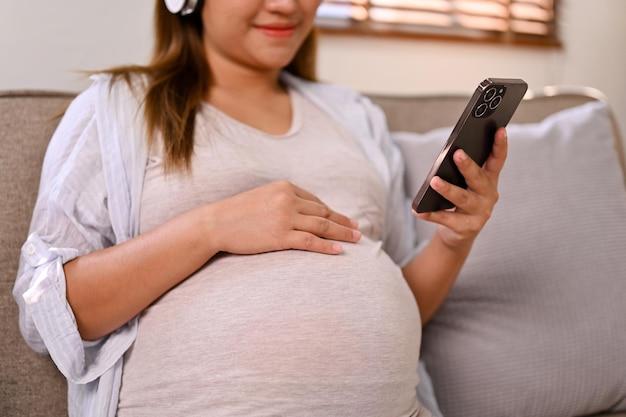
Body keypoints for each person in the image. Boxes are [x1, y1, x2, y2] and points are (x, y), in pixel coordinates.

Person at [13, 0, 507, 416]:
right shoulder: (120, 107)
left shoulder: (355, 117)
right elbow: (49, 315)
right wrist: (211, 227)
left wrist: (454, 238)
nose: (288, 6)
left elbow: (403, 302)